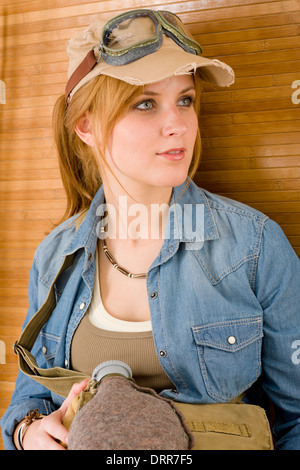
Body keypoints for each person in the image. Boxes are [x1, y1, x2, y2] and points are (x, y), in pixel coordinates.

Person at [1, 9, 299, 450]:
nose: (178, 123)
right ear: (86, 125)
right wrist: (28, 433)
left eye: (186, 99)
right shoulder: (53, 257)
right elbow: (27, 404)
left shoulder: (254, 248)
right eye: (145, 103)